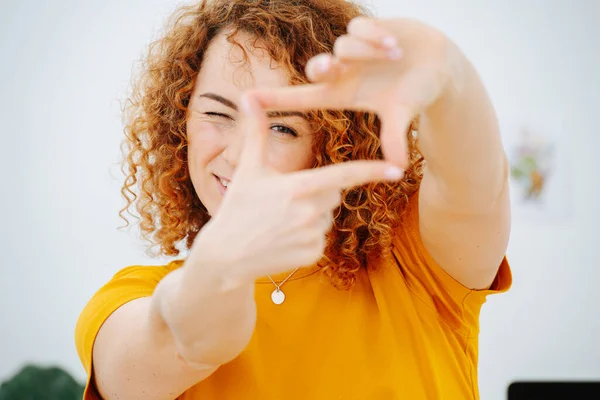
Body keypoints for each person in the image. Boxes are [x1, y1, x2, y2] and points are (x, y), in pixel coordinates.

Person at [74, 0, 512, 399]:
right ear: (179, 125)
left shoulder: (415, 266)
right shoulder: (132, 298)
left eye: (283, 127)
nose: (242, 154)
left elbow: (476, 187)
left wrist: (450, 77)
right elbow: (155, 356)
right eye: (217, 114)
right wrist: (218, 275)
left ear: (334, 144)